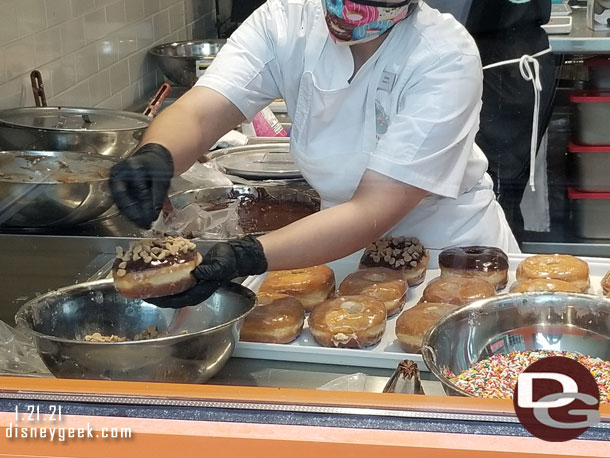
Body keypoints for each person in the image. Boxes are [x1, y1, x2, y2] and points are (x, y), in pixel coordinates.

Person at [109, 0, 519, 308]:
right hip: (327, 248)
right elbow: (201, 111)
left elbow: (373, 208)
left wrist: (246, 255)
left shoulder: (442, 56)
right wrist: (157, 155)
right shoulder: (287, 20)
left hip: (449, 259)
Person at [465, 0, 559, 239]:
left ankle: (495, 265)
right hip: (510, 54)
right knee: (497, 186)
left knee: (495, 187)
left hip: (500, 65)